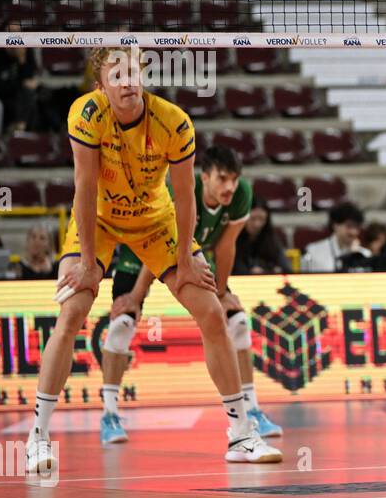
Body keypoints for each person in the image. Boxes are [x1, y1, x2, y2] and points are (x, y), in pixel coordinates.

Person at [26, 47, 281, 473]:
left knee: (212, 312)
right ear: (100, 86)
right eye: (117, 74)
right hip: (100, 220)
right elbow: (84, 189)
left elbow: (185, 198)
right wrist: (88, 261)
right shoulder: (85, 115)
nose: (128, 81)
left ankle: (241, 434)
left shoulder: (174, 122)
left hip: (155, 222)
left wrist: (184, 258)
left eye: (134, 72)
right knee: (71, 312)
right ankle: (38, 438)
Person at [99, 145, 282, 445]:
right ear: (205, 176)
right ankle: (109, 414)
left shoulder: (241, 194)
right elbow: (157, 245)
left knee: (236, 322)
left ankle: (252, 411)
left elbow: (225, 247)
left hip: (190, 254)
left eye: (234, 180)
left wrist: (221, 292)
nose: (230, 187)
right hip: (144, 248)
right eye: (222, 179)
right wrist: (135, 295)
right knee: (122, 323)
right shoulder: (181, 188)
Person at [0, 23, 39, 132]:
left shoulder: (27, 51)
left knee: (31, 97)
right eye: (11, 32)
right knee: (27, 100)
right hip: (2, 96)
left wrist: (22, 60)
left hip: (22, 94)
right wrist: (21, 84)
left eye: (18, 32)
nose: (15, 36)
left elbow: (29, 78)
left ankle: (20, 128)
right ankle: (21, 133)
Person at [301, 201, 370, 272]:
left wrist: (354, 257)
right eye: (349, 226)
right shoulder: (313, 252)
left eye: (357, 227)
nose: (354, 232)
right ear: (335, 225)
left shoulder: (365, 255)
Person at [233, 204, 291, 274]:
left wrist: (267, 271)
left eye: (261, 219)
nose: (257, 224)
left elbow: (286, 268)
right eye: (252, 218)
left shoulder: (272, 239)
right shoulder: (234, 240)